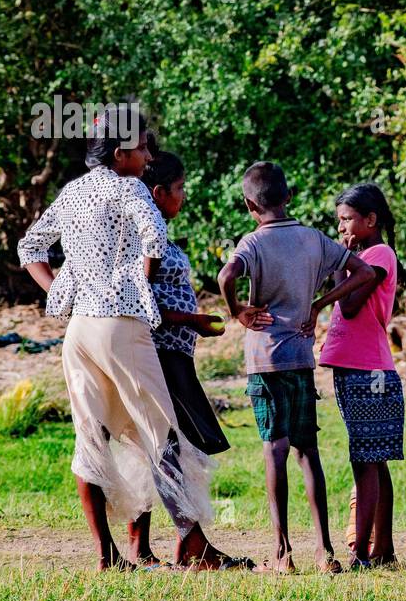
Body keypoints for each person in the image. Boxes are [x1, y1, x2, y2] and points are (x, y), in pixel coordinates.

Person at [17, 119, 248, 571]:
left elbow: (30, 248)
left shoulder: (73, 191)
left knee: (91, 439)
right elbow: (155, 237)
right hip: (120, 326)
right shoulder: (130, 188)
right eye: (141, 150)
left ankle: (109, 557)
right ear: (120, 154)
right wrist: (134, 286)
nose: (147, 159)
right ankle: (194, 546)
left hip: (79, 330)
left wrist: (60, 291)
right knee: (161, 435)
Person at [216, 161, 376, 574]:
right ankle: (324, 552)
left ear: (250, 204)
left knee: (275, 449)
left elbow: (226, 275)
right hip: (301, 358)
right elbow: (362, 272)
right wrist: (320, 304)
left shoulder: (252, 243)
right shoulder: (314, 239)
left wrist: (239, 311)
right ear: (289, 197)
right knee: (308, 452)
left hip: (264, 360)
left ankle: (283, 553)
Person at [126, 150, 233, 565]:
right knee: (163, 446)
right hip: (160, 352)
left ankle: (175, 545)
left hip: (174, 352)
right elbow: (142, 300)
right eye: (180, 188)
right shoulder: (143, 237)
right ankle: (187, 546)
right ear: (157, 192)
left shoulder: (157, 232)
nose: (184, 196)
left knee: (165, 446)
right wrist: (193, 318)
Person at [319, 182, 404, 569]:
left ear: (370, 220)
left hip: (369, 371)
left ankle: (360, 552)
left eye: (348, 219)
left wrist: (341, 264)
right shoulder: (360, 257)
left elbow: (350, 307)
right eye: (338, 221)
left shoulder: (379, 254)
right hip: (356, 369)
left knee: (364, 460)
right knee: (374, 460)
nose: (342, 229)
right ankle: (381, 549)